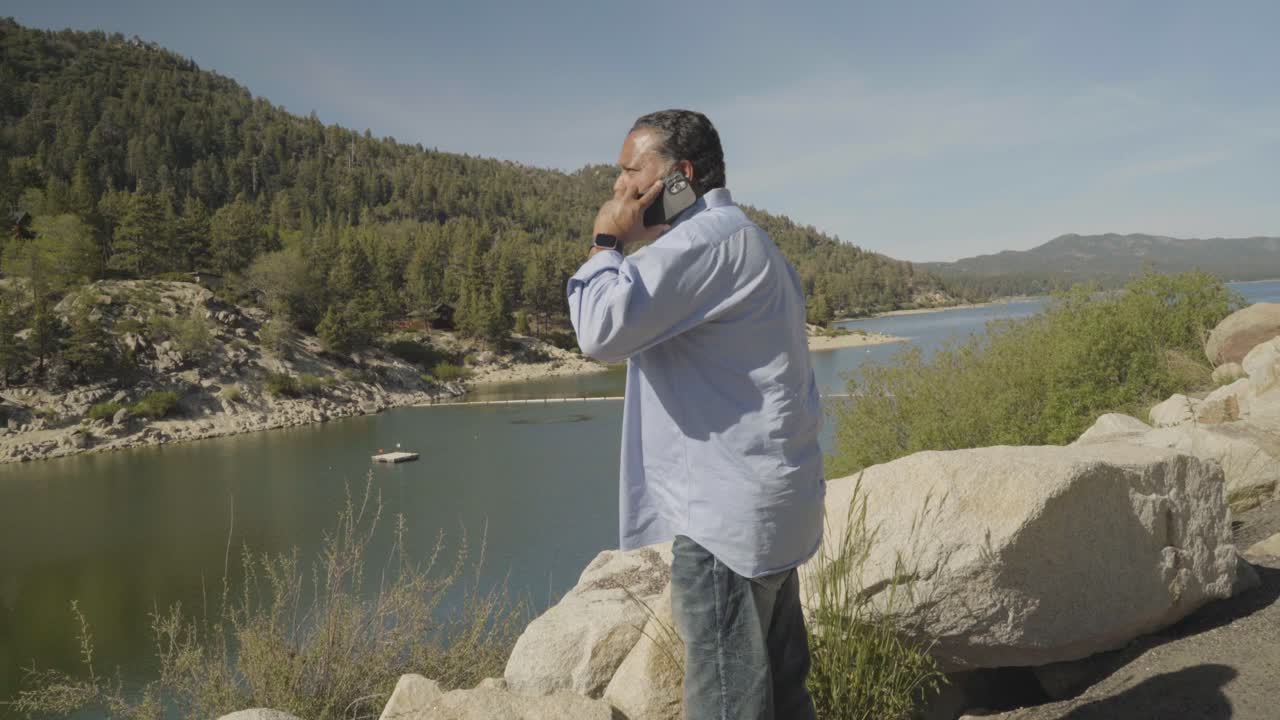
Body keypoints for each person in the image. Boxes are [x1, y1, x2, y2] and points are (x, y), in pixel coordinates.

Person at [566, 109, 825, 720]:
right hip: (768, 509)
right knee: (785, 695)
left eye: (631, 172)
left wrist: (608, 241)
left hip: (723, 529)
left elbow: (600, 331)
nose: (618, 188)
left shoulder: (701, 243)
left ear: (678, 177)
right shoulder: (745, 238)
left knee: (726, 704)